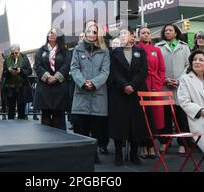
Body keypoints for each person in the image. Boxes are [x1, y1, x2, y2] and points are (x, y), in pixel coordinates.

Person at [70, 21, 110, 164]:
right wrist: (82, 82)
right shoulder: (77, 49)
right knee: (81, 128)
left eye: (94, 32)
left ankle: (93, 154)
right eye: (89, 31)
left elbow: (105, 71)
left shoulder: (105, 50)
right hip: (81, 94)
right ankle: (82, 156)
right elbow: (74, 69)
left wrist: (93, 83)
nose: (91, 34)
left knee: (97, 128)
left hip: (98, 94)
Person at [109, 28, 148, 166]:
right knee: (119, 123)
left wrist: (133, 85)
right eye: (121, 34)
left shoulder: (140, 51)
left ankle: (134, 153)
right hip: (119, 92)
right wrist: (125, 85)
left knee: (136, 123)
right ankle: (118, 153)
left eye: (126, 33)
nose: (123, 36)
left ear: (132, 36)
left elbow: (144, 71)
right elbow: (114, 72)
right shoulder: (114, 53)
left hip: (136, 92)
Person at [156, 23, 190, 154]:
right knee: (166, 115)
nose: (167, 32)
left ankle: (183, 143)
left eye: (170, 30)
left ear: (176, 33)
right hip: (164, 85)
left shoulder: (184, 46)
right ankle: (165, 142)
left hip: (180, 85)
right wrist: (165, 79)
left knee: (181, 115)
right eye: (166, 30)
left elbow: (188, 65)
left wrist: (179, 80)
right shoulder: (158, 46)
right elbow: (156, 66)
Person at [33, 28, 71, 129]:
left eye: (54, 33)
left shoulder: (64, 51)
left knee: (59, 118)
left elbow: (67, 65)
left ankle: (60, 142)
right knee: (45, 117)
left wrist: (56, 77)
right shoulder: (41, 50)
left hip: (59, 87)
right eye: (50, 32)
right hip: (45, 87)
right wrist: (47, 76)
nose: (51, 34)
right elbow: (37, 65)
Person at [137, 27, 165, 159]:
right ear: (139, 35)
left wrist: (159, 84)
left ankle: (152, 145)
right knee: (143, 117)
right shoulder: (136, 49)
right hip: (142, 86)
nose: (146, 35)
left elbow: (162, 68)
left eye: (148, 33)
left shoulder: (156, 50)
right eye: (143, 33)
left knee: (155, 117)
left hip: (155, 86)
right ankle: (143, 145)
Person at [3, 44, 33, 119]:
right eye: (12, 53)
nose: (14, 55)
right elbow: (3, 73)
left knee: (21, 110)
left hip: (22, 87)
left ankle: (21, 125)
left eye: (16, 53)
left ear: (19, 52)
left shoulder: (24, 58)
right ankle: (10, 126)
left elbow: (29, 71)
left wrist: (21, 71)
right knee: (10, 109)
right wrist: (8, 71)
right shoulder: (7, 59)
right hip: (10, 88)